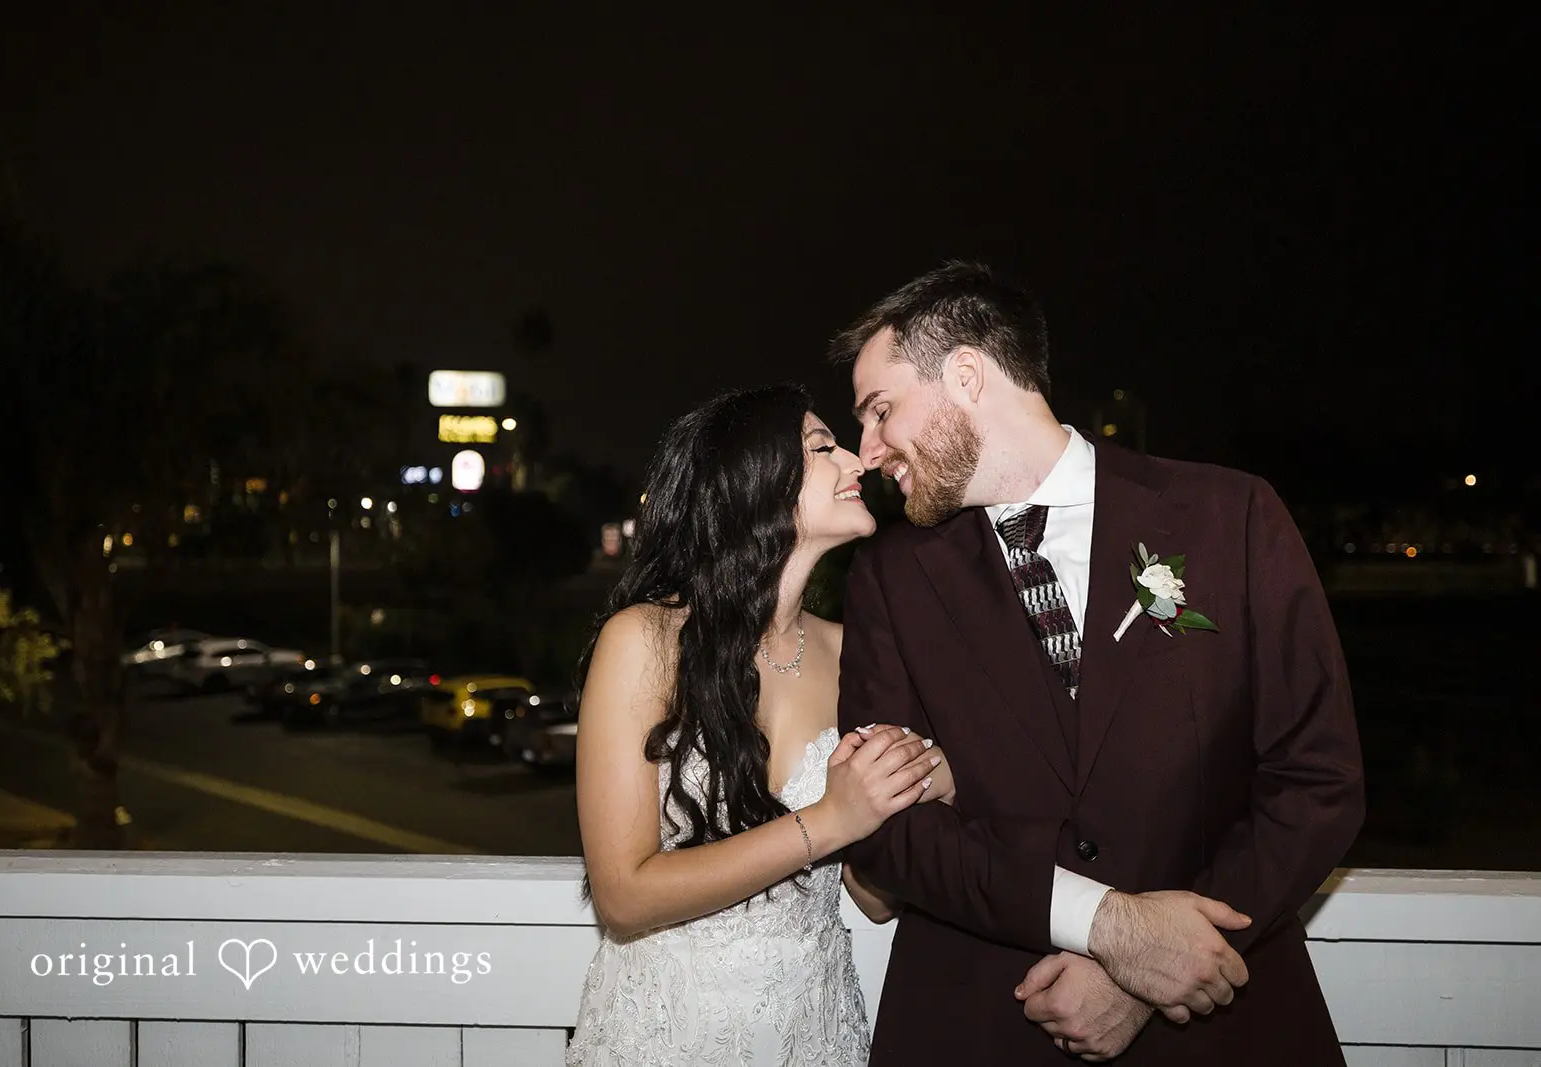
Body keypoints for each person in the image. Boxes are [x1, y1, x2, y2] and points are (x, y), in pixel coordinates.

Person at [830, 262, 1366, 1065]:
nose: (866, 451)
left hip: (1218, 1024)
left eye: (880, 410)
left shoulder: (1231, 515)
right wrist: (1106, 923)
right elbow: (890, 832)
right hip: (986, 1022)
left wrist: (1159, 966)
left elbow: (1317, 779)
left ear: (967, 374)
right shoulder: (891, 578)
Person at [566, 383, 954, 1066]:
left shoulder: (851, 650)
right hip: (666, 1036)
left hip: (812, 1030)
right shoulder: (646, 640)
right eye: (821, 447)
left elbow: (873, 897)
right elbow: (624, 895)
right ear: (753, 483)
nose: (857, 462)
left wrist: (916, 790)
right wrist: (829, 820)